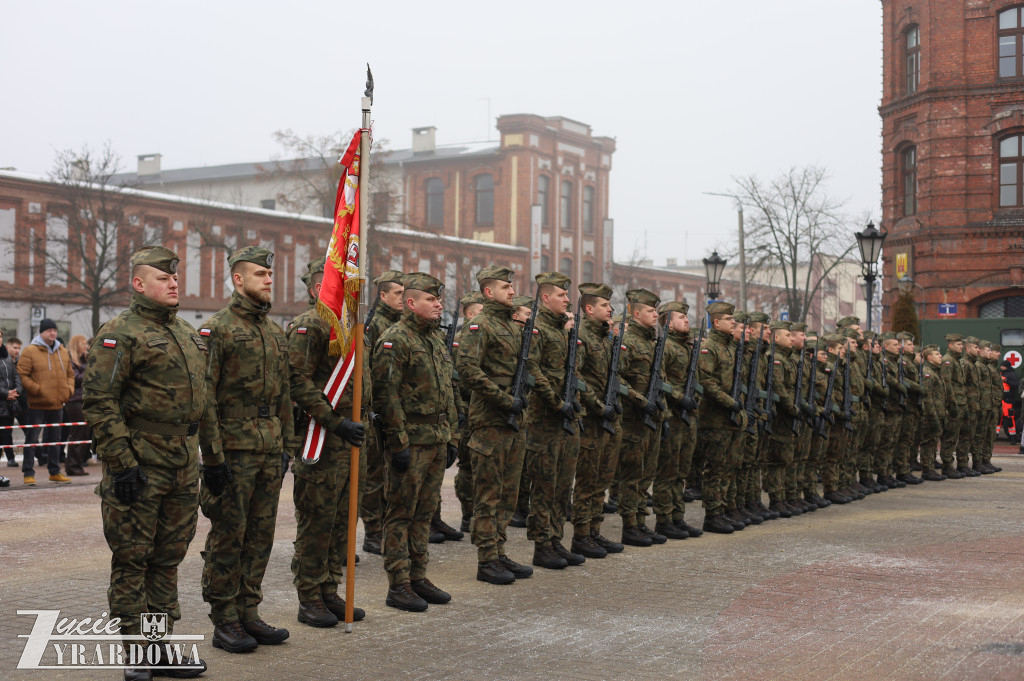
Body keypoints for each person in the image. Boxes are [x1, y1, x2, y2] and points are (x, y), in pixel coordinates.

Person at [84, 246, 221, 680]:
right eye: (163, 278)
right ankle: (136, 652)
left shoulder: (184, 332)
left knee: (167, 561)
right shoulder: (119, 333)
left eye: (175, 278)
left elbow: (205, 403)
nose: (174, 283)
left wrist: (214, 459)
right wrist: (121, 463)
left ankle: (159, 648)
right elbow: (100, 400)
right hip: (141, 466)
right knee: (133, 560)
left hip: (183, 467)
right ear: (139, 284)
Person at [196, 247, 294, 653]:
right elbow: (205, 398)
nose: (268, 279)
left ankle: (249, 610)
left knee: (261, 535)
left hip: (270, 449)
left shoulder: (273, 331)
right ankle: (225, 619)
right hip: (234, 451)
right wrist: (214, 458)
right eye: (259, 274)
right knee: (229, 537)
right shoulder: (216, 328)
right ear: (238, 280)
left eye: (269, 274)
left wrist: (288, 444)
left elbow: (285, 395)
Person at [286, 257, 367, 628]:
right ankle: (309, 597)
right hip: (323, 439)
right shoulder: (310, 325)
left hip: (350, 438)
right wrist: (334, 422)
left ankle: (329, 589)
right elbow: (298, 382)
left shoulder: (349, 328)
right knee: (317, 523)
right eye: (343, 284)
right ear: (320, 288)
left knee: (342, 521)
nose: (351, 291)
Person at [372, 272, 459, 611]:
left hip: (436, 439)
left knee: (425, 512)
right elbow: (386, 396)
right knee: (400, 513)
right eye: (430, 299)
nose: (439, 304)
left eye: (439, 299)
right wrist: (398, 443)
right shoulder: (396, 339)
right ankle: (398, 583)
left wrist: (451, 435)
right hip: (412, 440)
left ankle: (418, 575)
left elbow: (448, 391)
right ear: (411, 303)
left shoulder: (435, 339)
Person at [457, 274, 534, 585]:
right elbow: (467, 369)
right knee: (488, 494)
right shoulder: (480, 325)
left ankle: (499, 551)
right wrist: (503, 398)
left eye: (512, 286)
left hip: (513, 421)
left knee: (508, 493)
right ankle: (486, 559)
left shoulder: (510, 327)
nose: (512, 291)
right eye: (505, 287)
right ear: (488, 292)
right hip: (490, 419)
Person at [524, 272, 584, 568]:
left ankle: (556, 540)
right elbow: (532, 371)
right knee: (545, 486)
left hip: (565, 418)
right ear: (545, 298)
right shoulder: (537, 330)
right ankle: (541, 545)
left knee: (563, 486)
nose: (567, 299)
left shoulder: (563, 331)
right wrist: (556, 402)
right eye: (561, 295)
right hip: (544, 420)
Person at [571, 282, 626, 556]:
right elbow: (576, 377)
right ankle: (581, 535)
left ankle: (594, 531)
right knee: (587, 482)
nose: (610, 309)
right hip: (592, 420)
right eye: (605, 305)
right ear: (589, 308)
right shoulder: (580, 337)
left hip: (608, 419)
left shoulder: (607, 339)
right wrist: (597, 405)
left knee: (602, 480)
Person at [360, 270, 406, 555]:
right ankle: (373, 533)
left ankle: (386, 528)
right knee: (375, 477)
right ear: (383, 295)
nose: (403, 298)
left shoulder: (400, 323)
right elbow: (372, 371)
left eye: (405, 293)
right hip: (378, 412)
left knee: (391, 476)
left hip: (396, 410)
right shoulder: (374, 325)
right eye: (398, 293)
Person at [695, 302, 746, 534]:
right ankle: (713, 514)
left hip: (731, 418)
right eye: (728, 318)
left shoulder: (731, 347)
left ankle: (723, 510)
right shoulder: (710, 347)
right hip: (714, 418)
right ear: (716, 322)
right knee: (715, 469)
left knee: (728, 467)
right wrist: (730, 402)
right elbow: (707, 383)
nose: (733, 321)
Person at [17, 318, 74, 485]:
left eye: (54, 330)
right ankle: (28, 473)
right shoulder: (30, 351)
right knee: (32, 439)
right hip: (37, 404)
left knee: (56, 440)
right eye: (49, 330)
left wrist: (68, 390)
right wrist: (38, 390)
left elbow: (70, 374)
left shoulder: (62, 351)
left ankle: (54, 471)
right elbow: (22, 374)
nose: (53, 333)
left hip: (58, 403)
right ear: (41, 332)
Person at [63, 334, 91, 475]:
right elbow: (75, 378)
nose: (86, 346)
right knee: (78, 433)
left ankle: (76, 465)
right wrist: (89, 371)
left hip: (83, 399)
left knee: (84, 434)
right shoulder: (69, 359)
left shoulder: (83, 360)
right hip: (74, 400)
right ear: (76, 345)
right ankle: (73, 467)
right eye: (83, 344)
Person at [0, 329, 23, 467]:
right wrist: (5, 393)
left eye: (0, 336)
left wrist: (16, 391)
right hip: (3, 399)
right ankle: (10, 457)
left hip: (8, 403)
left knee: (7, 432)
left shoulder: (6, 356)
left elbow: (16, 376)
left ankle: (10, 458)